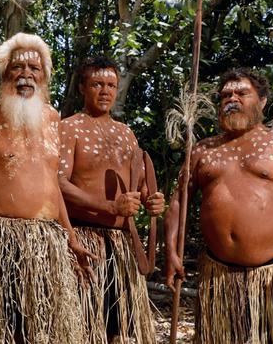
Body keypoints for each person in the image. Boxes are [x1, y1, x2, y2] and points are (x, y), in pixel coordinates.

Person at [0, 32, 95, 343]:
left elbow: (52, 185)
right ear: (4, 73)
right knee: (0, 332)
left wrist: (71, 238)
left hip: (46, 244)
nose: (26, 74)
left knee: (40, 333)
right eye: (18, 67)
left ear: (45, 77)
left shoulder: (52, 118)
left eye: (34, 69)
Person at [164, 68, 273, 343]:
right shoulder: (203, 149)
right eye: (225, 95)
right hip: (219, 279)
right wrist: (171, 251)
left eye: (242, 93)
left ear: (262, 100)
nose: (232, 99)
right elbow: (178, 203)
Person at [58, 56, 164, 344]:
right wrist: (108, 207)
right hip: (83, 241)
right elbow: (58, 183)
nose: (105, 91)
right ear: (82, 87)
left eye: (111, 85)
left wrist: (151, 201)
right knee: (84, 325)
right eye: (97, 84)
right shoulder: (69, 128)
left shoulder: (126, 134)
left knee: (119, 330)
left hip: (121, 245)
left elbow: (139, 185)